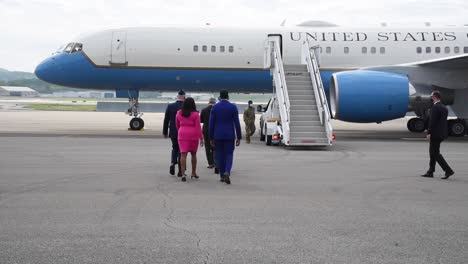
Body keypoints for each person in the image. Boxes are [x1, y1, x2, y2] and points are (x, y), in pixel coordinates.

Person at [209, 90, 242, 184]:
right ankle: (227, 171)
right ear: (228, 96)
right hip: (229, 135)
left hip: (218, 135)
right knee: (229, 154)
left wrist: (211, 137)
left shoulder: (215, 107)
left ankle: (222, 175)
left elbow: (211, 124)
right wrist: (238, 137)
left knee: (220, 155)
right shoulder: (233, 107)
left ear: (220, 97)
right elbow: (237, 123)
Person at [421, 90, 455, 179]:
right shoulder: (444, 107)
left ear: (435, 97)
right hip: (441, 134)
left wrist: (429, 133)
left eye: (432, 97)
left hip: (435, 134)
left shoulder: (435, 108)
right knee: (433, 153)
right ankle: (430, 171)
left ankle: (448, 170)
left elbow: (432, 122)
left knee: (435, 153)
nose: (431, 98)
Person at [176, 97, 204, 182]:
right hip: (193, 135)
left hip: (182, 134)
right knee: (193, 154)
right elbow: (198, 127)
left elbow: (177, 125)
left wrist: (181, 132)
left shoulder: (179, 113)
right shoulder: (195, 114)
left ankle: (183, 173)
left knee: (183, 155)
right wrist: (201, 137)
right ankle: (193, 173)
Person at [163, 90, 185, 177]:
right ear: (184, 96)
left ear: (177, 96)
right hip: (183, 132)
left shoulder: (170, 106)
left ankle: (172, 163)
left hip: (173, 131)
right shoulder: (186, 106)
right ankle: (181, 171)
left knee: (174, 148)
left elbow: (166, 120)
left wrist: (165, 132)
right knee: (182, 151)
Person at [200, 98, 217, 171]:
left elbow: (201, 120)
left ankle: (210, 163)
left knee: (207, 147)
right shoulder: (217, 109)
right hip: (215, 130)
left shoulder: (204, 110)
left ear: (208, 102)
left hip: (206, 130)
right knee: (216, 147)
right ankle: (216, 162)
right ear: (215, 103)